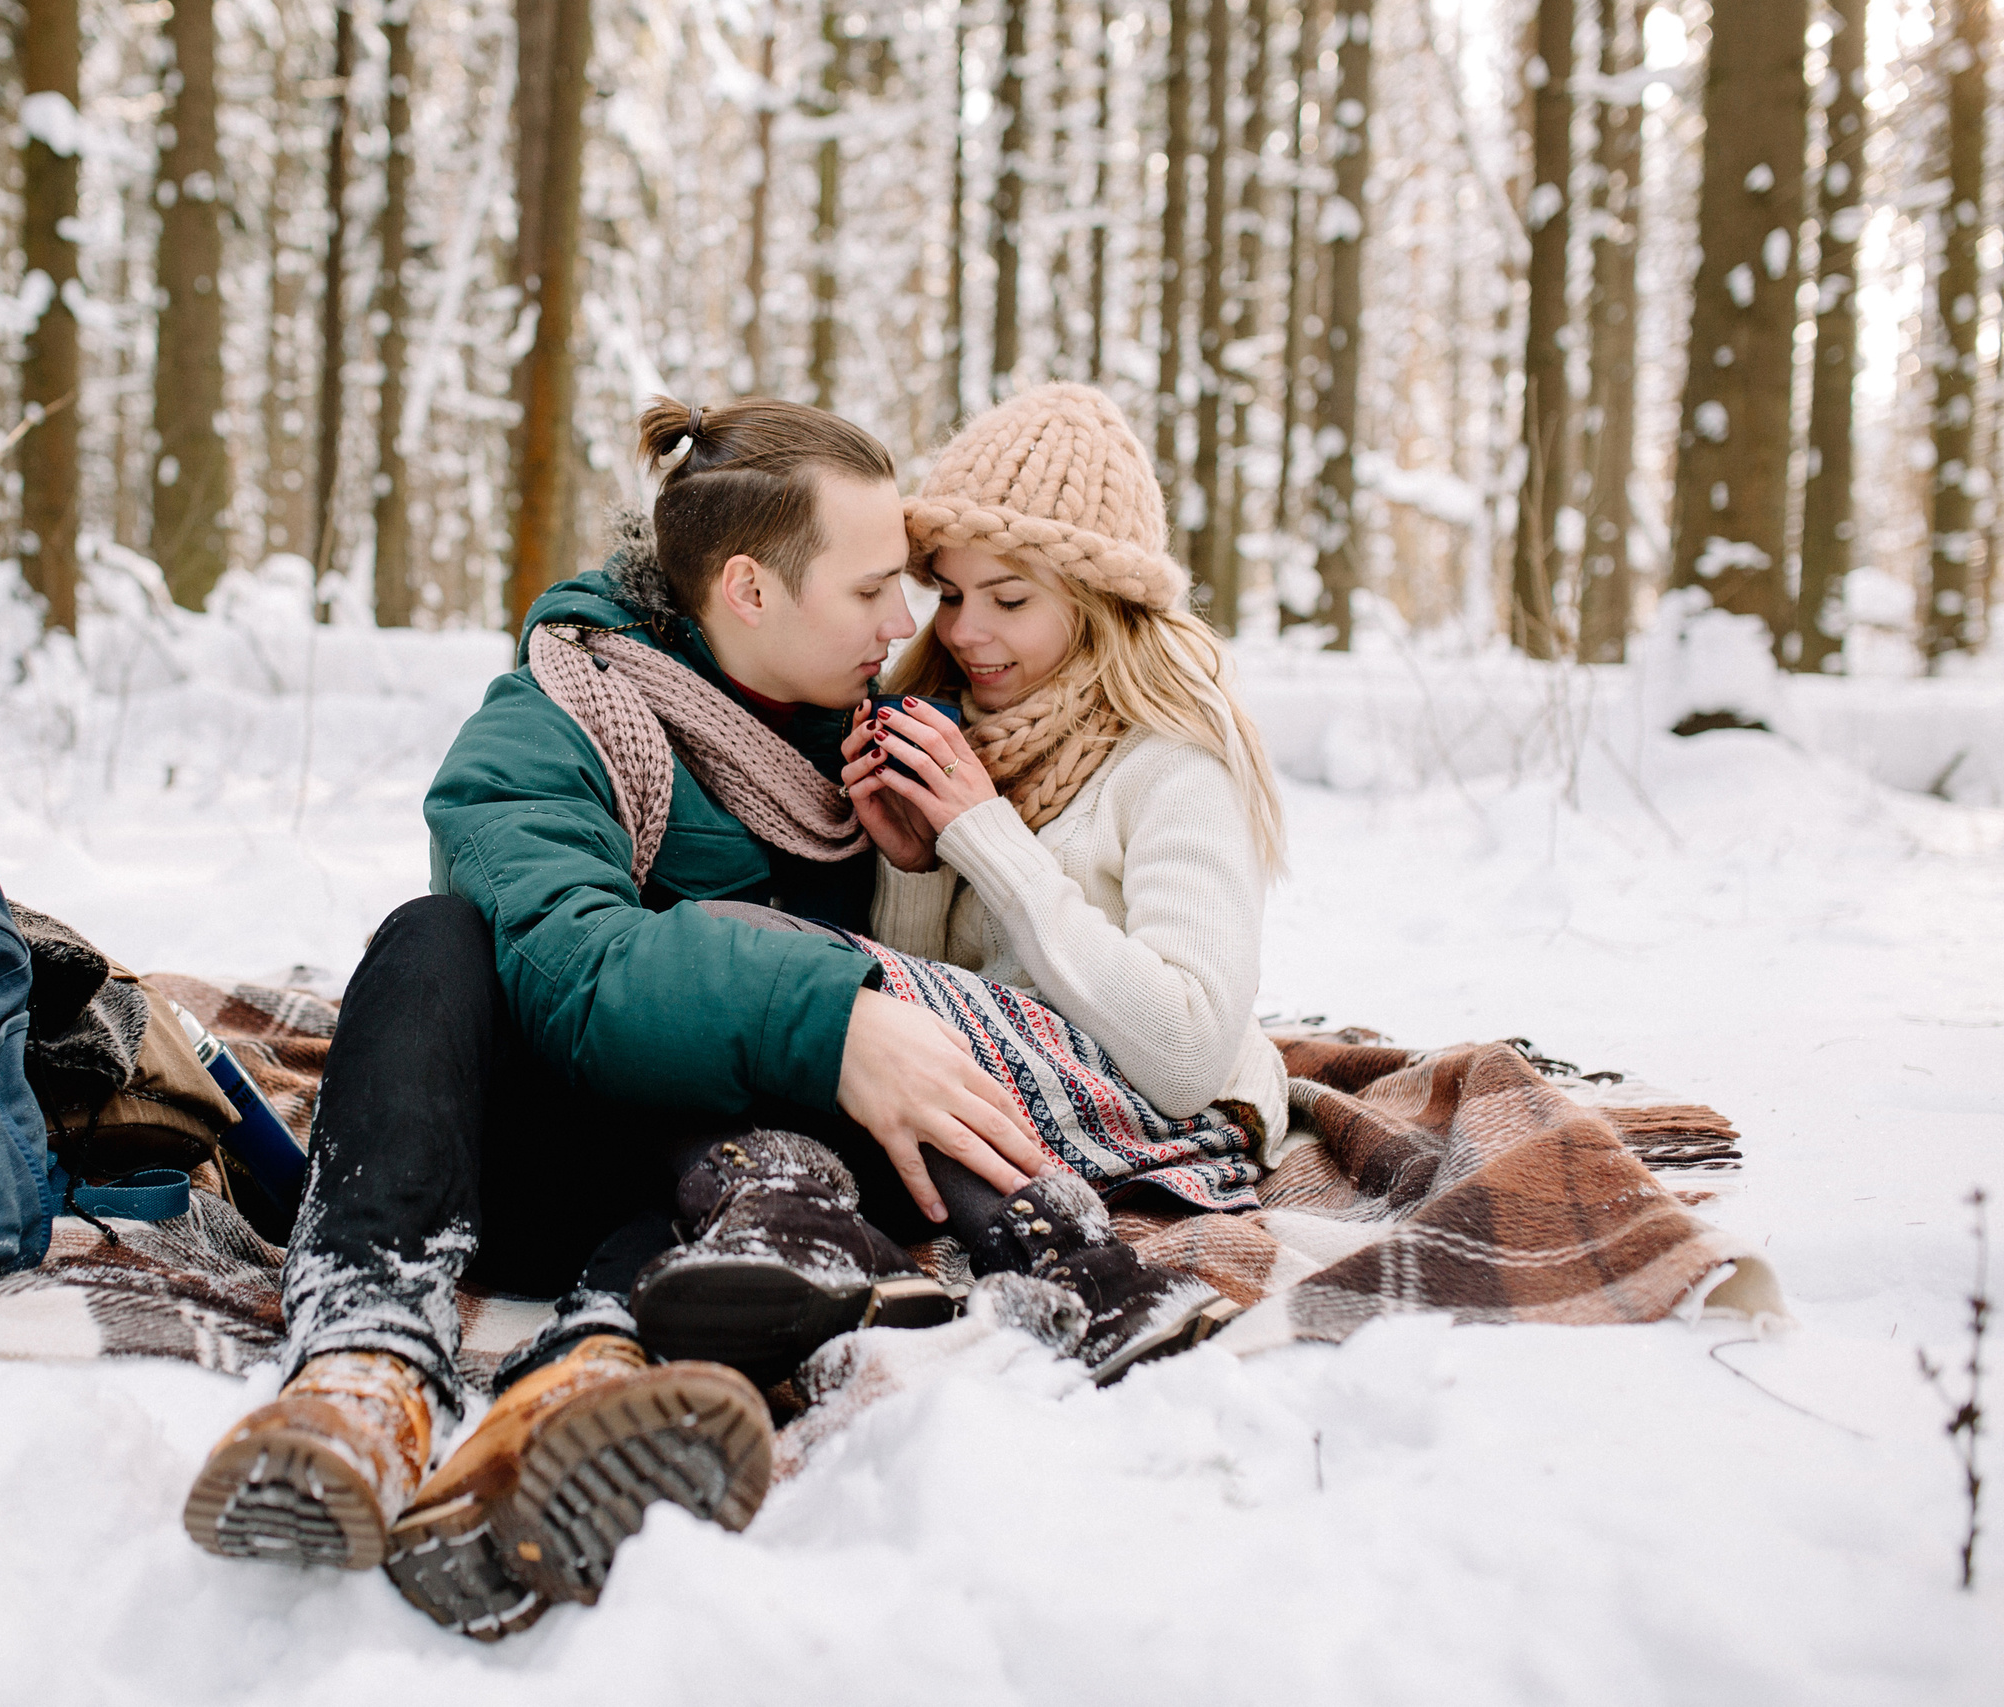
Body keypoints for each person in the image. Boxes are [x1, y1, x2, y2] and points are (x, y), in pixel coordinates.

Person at [180, 397, 1051, 1642]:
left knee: (788, 1097)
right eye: (869, 591)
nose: (901, 623)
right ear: (749, 589)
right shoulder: (553, 721)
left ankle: (594, 1382)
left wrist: (913, 869)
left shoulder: (886, 748)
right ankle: (362, 1362)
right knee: (431, 941)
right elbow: (572, 970)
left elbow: (949, 993)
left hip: (704, 1204)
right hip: (523, 1166)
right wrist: (826, 1018)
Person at [631, 382, 1292, 1382]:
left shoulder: (1172, 763)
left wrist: (982, 832)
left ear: (1103, 597)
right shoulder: (965, 729)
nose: (967, 631)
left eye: (1011, 599)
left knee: (733, 958)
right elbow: (935, 1000)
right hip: (1008, 1090)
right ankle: (788, 1222)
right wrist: (912, 863)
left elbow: (1186, 1050)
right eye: (950, 592)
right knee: (733, 1024)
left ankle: (1068, 1262)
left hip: (1161, 1110)